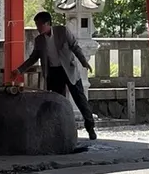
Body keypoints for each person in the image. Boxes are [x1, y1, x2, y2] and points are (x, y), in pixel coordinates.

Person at [16, 10, 98, 141]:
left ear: (47, 23)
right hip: (53, 72)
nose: (37, 28)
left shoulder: (62, 32)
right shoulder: (39, 40)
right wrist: (20, 70)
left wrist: (84, 62)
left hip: (69, 70)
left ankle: (90, 128)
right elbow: (33, 58)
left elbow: (75, 47)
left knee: (80, 99)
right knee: (56, 102)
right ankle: (58, 129)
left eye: (39, 25)